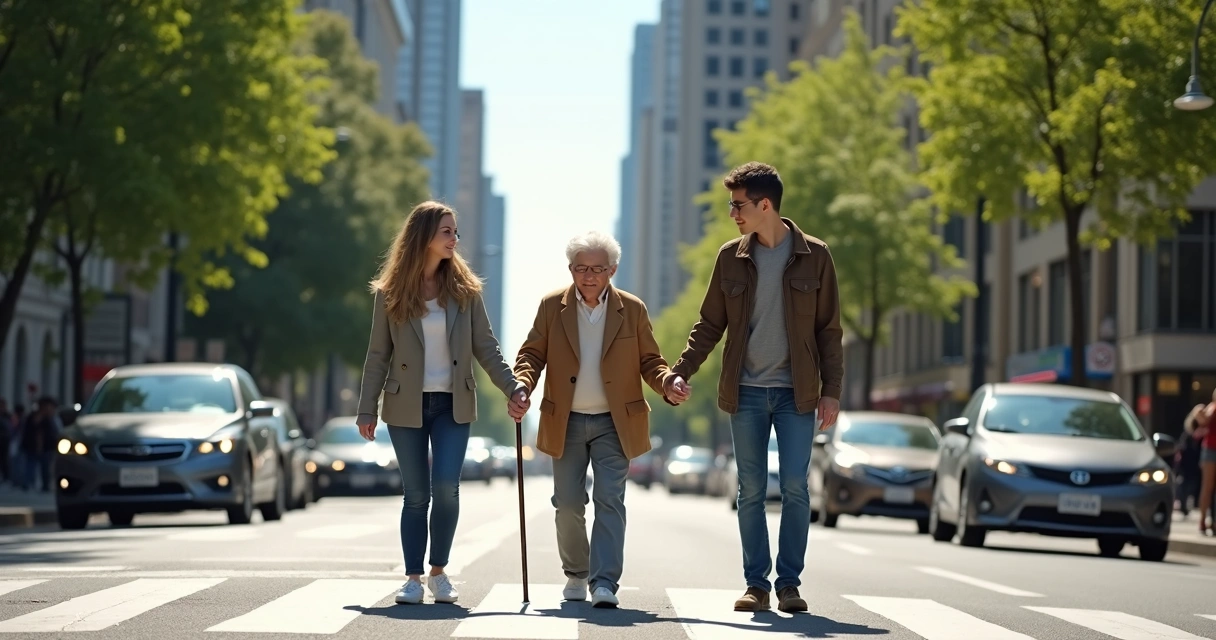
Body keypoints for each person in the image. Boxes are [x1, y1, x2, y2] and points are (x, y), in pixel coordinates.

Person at [668, 162, 843, 613]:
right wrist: (680, 371)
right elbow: (709, 324)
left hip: (797, 393)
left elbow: (829, 330)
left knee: (795, 487)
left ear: (765, 205)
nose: (733, 213)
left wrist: (832, 390)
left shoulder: (816, 255)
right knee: (749, 489)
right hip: (744, 390)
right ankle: (756, 585)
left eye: (738, 205)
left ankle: (789, 584)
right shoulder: (731, 257)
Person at [355, 201, 530, 605]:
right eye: (447, 231)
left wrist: (513, 387)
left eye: (455, 231)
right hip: (405, 406)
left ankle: (439, 572)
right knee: (416, 495)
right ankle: (413, 578)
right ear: (424, 237)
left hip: (453, 405)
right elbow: (378, 354)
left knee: (447, 488)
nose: (455, 238)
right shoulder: (390, 294)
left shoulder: (466, 293)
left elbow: (487, 347)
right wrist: (367, 408)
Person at [513, 231, 688, 608]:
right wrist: (523, 385)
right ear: (571, 269)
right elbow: (531, 354)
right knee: (569, 503)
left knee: (611, 498)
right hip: (567, 420)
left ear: (612, 270)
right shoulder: (550, 307)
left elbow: (649, 361)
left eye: (596, 269)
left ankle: (605, 581)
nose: (588, 276)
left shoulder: (633, 309)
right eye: (580, 268)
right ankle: (576, 572)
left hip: (615, 422)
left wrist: (668, 381)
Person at [1194, 390, 1216, 535]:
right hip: (1210, 450)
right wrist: (1197, 412)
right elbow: (1203, 420)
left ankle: (1208, 521)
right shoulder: (1213, 408)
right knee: (1207, 487)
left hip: (1209, 450)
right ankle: (1203, 520)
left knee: (1207, 488)